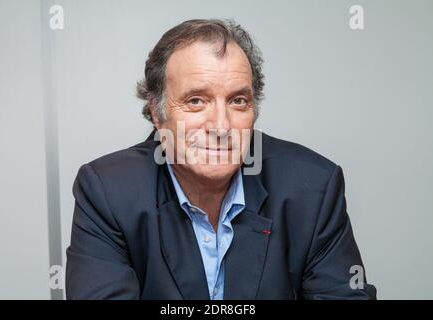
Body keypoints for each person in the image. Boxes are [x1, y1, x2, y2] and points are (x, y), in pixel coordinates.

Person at [65, 19, 376, 300]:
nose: (222, 126)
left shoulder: (313, 187)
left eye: (238, 101)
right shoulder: (107, 190)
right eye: (196, 101)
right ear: (158, 113)